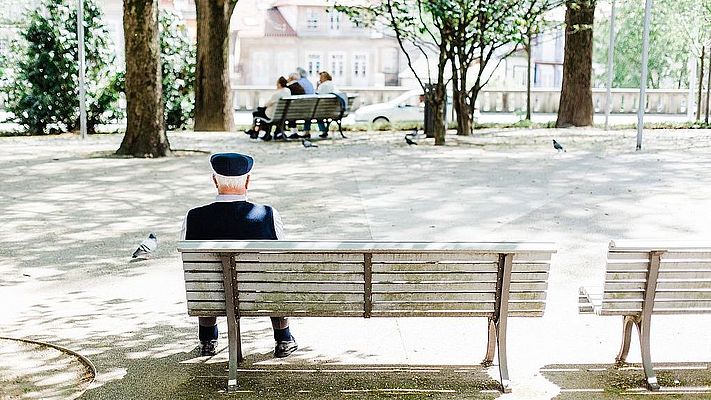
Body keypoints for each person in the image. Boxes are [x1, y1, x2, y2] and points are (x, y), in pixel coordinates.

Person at [181, 153, 298, 358]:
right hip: (260, 295)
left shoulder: (193, 217)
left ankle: (207, 339)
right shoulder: (268, 215)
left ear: (215, 181)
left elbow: (191, 260)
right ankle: (283, 338)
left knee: (206, 278)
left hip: (213, 296)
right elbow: (281, 257)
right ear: (248, 180)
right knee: (275, 274)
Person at [245, 76, 290, 141]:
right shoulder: (288, 91)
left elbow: (267, 104)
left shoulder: (277, 94)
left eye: (277, 84)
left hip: (272, 115)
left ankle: (254, 131)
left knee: (256, 113)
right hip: (282, 115)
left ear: (279, 84)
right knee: (259, 112)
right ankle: (256, 131)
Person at [315, 71, 337, 138]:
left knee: (317, 115)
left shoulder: (323, 85)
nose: (320, 79)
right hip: (333, 109)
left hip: (323, 110)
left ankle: (323, 130)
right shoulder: (332, 84)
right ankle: (324, 130)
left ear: (324, 78)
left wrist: (317, 86)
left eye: (321, 77)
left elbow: (317, 94)